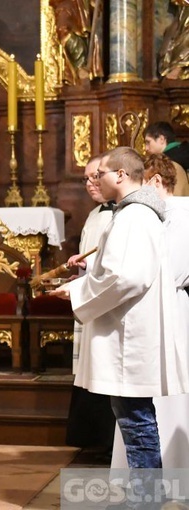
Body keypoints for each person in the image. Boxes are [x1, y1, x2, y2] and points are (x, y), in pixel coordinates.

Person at [50, 146, 188, 471]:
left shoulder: (135, 216)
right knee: (135, 422)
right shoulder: (133, 214)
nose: (96, 180)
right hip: (130, 331)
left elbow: (127, 277)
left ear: (121, 175)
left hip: (130, 336)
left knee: (137, 425)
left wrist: (77, 292)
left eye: (101, 174)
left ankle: (145, 502)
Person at [110, 153, 189, 469]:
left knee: (171, 394)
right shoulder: (145, 216)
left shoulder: (182, 215)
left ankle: (175, 469)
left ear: (157, 181)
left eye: (142, 183)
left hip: (173, 307)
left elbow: (172, 271)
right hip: (148, 307)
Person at [63, 156, 116, 458]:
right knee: (88, 369)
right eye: (85, 178)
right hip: (88, 296)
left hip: (107, 303)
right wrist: (81, 271)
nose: (90, 183)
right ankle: (92, 439)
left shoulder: (125, 215)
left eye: (96, 176)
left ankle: (110, 444)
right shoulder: (95, 214)